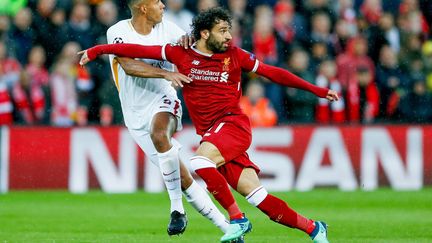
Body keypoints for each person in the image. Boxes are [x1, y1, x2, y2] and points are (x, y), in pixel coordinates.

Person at [79, 7, 338, 243]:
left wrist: (316, 89)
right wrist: (96, 50)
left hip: (233, 126)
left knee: (200, 162)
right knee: (259, 197)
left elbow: (273, 73)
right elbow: (135, 51)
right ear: (205, 33)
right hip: (214, 133)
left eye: (230, 31)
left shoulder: (235, 56)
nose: (229, 37)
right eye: (223, 31)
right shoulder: (179, 54)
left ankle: (236, 219)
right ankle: (315, 229)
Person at [100, 0, 230, 237]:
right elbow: (128, 65)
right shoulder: (117, 32)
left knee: (159, 133)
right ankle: (228, 228)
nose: (163, 5)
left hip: (164, 99)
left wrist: (192, 41)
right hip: (134, 115)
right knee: (184, 180)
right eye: (157, 2)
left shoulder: (170, 29)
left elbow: (198, 48)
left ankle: (176, 209)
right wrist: (166, 72)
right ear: (143, 8)